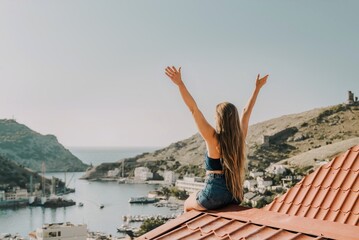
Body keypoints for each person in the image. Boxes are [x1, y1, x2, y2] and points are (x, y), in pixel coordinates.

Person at [165, 66, 268, 212]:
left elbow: (194, 109)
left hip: (214, 194)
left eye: (215, 116)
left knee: (187, 204)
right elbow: (245, 112)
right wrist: (257, 88)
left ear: (219, 119)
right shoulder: (238, 139)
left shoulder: (213, 138)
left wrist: (180, 84)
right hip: (235, 195)